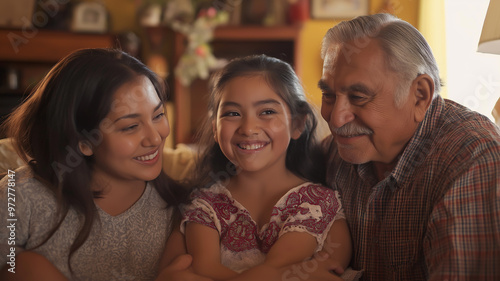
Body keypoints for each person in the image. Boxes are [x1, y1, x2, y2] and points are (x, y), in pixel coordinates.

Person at [319, 13, 500, 280]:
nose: (336, 118)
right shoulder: (333, 151)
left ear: (420, 96)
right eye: (329, 95)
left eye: (358, 97)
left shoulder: (472, 155)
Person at [0, 48, 190, 281]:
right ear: (83, 141)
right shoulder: (19, 196)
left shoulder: (182, 209)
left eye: (158, 115)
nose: (155, 138)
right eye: (130, 127)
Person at [172, 54, 352, 280]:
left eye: (267, 112)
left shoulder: (320, 203)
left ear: (297, 123)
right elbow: (202, 269)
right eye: (232, 113)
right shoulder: (203, 205)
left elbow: (280, 266)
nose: (248, 128)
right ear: (215, 129)